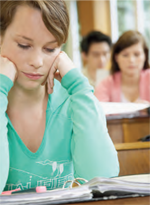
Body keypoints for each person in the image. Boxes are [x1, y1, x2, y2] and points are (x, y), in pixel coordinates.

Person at [0, 0, 119, 193]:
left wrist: (79, 86)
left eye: (50, 49)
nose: (37, 62)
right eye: (24, 45)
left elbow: (102, 182)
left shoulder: (74, 100)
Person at [95, 30, 150, 102]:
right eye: (125, 55)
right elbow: (99, 111)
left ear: (145, 55)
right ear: (116, 57)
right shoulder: (105, 84)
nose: (131, 60)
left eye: (137, 54)